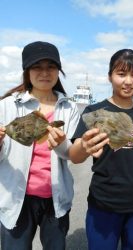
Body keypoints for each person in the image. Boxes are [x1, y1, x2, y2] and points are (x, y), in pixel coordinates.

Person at [69, 49, 133, 250]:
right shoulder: (94, 112)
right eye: (121, 74)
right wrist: (84, 146)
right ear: (110, 76)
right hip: (104, 203)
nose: (128, 81)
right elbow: (75, 156)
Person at [0, 41, 80, 250]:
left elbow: (71, 152)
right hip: (16, 199)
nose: (44, 72)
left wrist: (63, 144)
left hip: (56, 198)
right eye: (37, 67)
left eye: (51, 67)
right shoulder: (7, 106)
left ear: (58, 71)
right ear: (27, 71)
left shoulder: (69, 107)